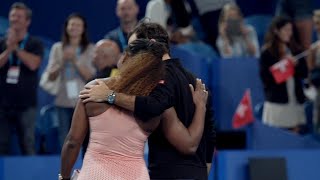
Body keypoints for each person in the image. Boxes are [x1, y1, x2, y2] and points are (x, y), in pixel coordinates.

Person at [80, 22, 215, 180]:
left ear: (150, 45)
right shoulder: (194, 81)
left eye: (134, 48)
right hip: (196, 172)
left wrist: (110, 95)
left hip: (168, 173)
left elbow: (153, 106)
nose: (131, 56)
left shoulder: (160, 76)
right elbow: (210, 133)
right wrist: (203, 171)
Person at [41, 13, 96, 149]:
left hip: (84, 99)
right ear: (66, 28)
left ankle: (84, 167)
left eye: (78, 25)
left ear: (83, 29)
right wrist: (62, 61)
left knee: (84, 136)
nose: (74, 27)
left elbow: (90, 76)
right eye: (72, 24)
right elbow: (50, 76)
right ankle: (64, 168)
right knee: (64, 138)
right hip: (62, 100)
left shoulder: (91, 49)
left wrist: (75, 60)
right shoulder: (57, 48)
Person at [0, 2, 44, 155]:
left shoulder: (35, 43)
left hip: (26, 104)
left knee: (28, 142)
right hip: (2, 102)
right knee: (2, 143)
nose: (14, 19)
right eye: (12, 16)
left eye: (19, 16)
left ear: (27, 21)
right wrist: (8, 49)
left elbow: (33, 64)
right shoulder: (1, 42)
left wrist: (16, 48)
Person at [259, 16, 308, 133]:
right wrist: (282, 67)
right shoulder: (267, 52)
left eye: (290, 30)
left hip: (294, 100)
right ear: (277, 31)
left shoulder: (295, 49)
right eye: (286, 30)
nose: (289, 33)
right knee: (276, 135)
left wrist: (295, 66)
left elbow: (304, 73)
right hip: (277, 102)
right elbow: (266, 78)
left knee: (295, 134)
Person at [81, 39, 121, 158]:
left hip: (97, 144)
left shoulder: (96, 82)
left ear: (104, 56)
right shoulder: (125, 79)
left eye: (95, 52)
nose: (93, 56)